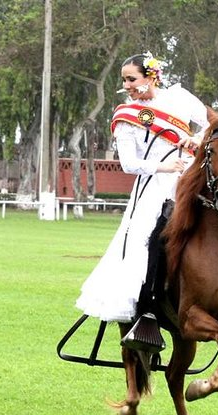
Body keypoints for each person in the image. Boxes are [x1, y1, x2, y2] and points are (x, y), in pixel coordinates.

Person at [75, 52, 207, 352]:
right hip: (155, 186)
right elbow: (129, 164)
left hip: (191, 176)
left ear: (151, 76)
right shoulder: (127, 116)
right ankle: (147, 306)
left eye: (131, 79)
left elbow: (210, 123)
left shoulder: (181, 98)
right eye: (124, 80)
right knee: (145, 241)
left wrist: (195, 141)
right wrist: (164, 167)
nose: (127, 85)